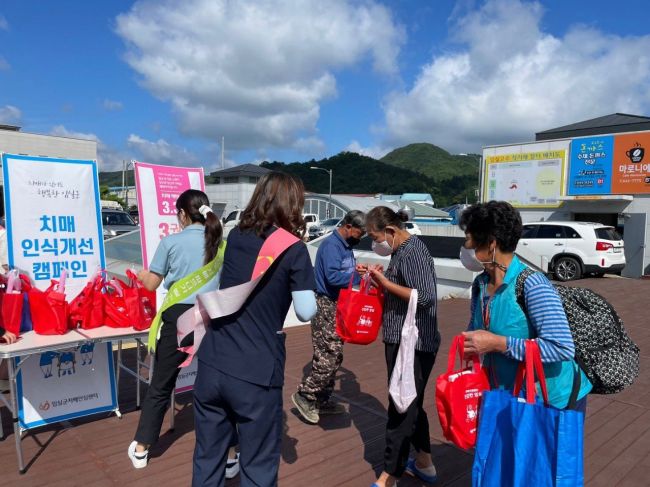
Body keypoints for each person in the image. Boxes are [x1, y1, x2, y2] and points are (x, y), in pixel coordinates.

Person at [192, 172, 317, 486]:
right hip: (256, 372)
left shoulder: (236, 235)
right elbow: (306, 311)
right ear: (293, 205)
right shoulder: (294, 249)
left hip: (213, 361)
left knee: (207, 459)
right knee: (258, 466)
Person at [127, 189, 240, 473]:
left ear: (181, 214)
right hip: (214, 315)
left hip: (180, 320)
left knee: (162, 384)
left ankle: (142, 448)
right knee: (222, 386)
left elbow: (152, 284)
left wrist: (141, 274)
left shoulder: (171, 242)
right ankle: (229, 455)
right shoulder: (220, 243)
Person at [459, 201, 591, 412]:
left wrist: (497, 344)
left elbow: (562, 348)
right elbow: (480, 328)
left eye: (469, 240)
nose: (465, 248)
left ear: (491, 243)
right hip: (510, 395)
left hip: (551, 401)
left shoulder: (532, 284)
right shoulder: (481, 284)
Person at [366, 207, 440, 487]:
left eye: (376, 237)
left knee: (401, 405)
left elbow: (425, 298)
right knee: (413, 402)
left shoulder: (414, 251)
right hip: (405, 338)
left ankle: (390, 473)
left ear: (391, 232)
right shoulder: (402, 251)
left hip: (414, 342)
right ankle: (425, 463)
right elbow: (406, 287)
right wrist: (382, 280)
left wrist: (385, 282)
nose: (376, 244)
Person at [292, 210, 366, 424]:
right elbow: (333, 277)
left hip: (338, 304)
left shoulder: (345, 246)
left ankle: (322, 399)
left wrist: (356, 273)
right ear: (349, 226)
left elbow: (344, 273)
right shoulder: (332, 246)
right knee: (329, 352)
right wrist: (357, 277)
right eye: (359, 233)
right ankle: (305, 395)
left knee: (335, 352)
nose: (360, 238)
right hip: (326, 304)